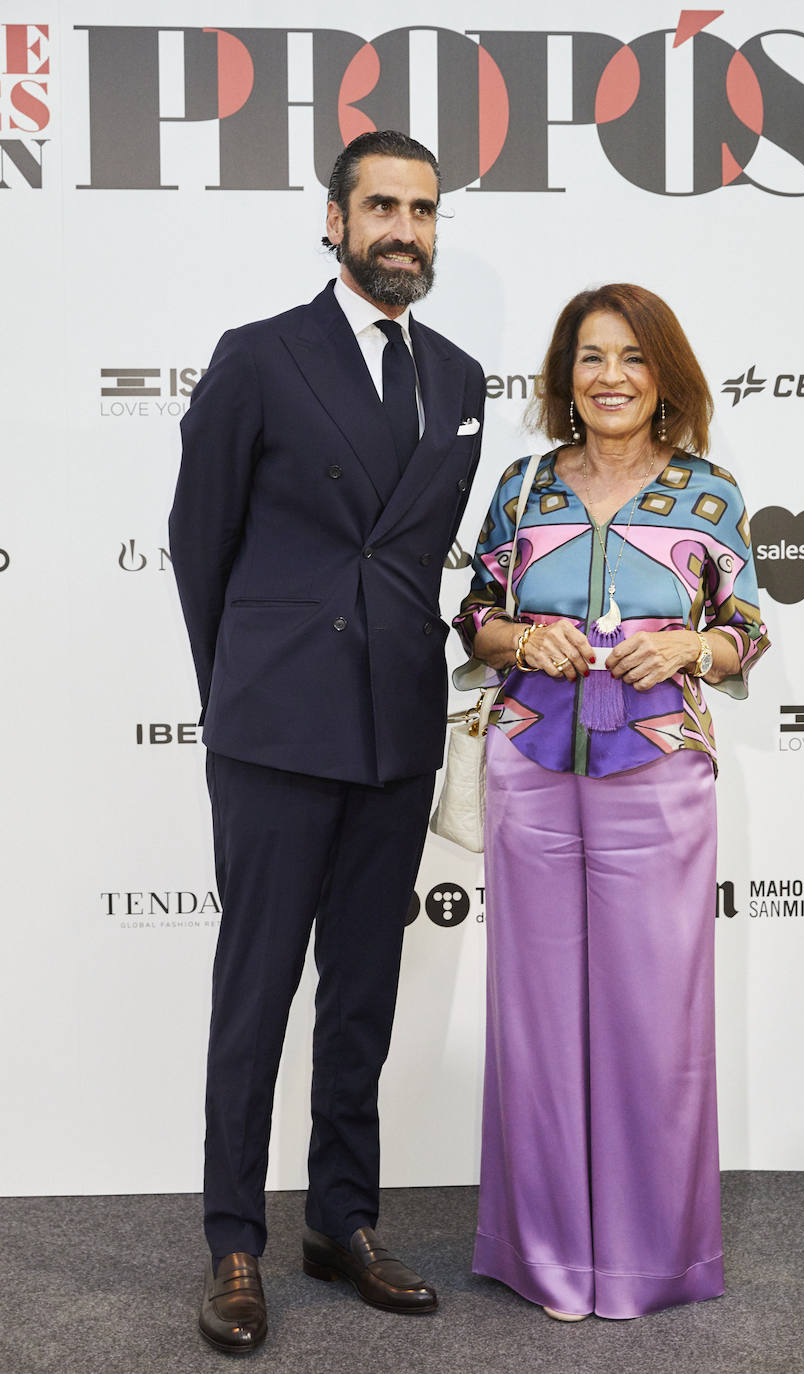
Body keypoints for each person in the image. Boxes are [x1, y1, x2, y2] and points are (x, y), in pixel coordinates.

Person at [169, 130, 485, 1356]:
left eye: (423, 209)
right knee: (253, 994)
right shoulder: (259, 358)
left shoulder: (456, 377)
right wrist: (241, 688)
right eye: (382, 208)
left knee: (363, 993)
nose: (404, 229)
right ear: (335, 222)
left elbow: (417, 561)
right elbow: (202, 545)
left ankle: (340, 1220)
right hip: (276, 726)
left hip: (395, 728)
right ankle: (234, 1239)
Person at [454, 284, 769, 1322]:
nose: (610, 377)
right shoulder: (524, 487)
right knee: (537, 1021)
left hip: (659, 771)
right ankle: (545, 1257)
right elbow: (476, 615)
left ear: (662, 374)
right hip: (531, 766)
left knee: (654, 1019)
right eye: (590, 358)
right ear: (566, 378)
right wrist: (514, 640)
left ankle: (647, 1260)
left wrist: (693, 645)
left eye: (631, 357)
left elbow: (745, 631)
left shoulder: (708, 496)